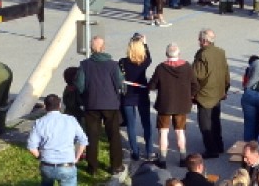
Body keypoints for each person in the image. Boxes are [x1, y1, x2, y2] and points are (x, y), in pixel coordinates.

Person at [75, 36, 125, 178]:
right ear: (104, 48)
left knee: (91, 135)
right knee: (114, 135)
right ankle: (116, 166)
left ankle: (93, 168)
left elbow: (80, 85)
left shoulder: (85, 65)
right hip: (111, 104)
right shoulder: (113, 65)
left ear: (91, 49)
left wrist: (86, 95)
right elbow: (120, 83)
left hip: (92, 104)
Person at [148, 42, 198, 167]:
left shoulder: (160, 68)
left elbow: (152, 86)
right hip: (182, 104)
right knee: (180, 132)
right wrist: (190, 96)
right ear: (179, 54)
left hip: (165, 105)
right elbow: (195, 85)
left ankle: (163, 160)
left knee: (163, 132)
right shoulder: (187, 67)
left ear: (166, 54)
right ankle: (182, 158)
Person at [27, 94, 88, 186]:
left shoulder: (39, 122)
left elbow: (32, 147)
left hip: (47, 165)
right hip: (67, 165)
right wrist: (77, 157)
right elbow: (83, 140)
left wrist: (40, 157)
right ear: (59, 105)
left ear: (45, 107)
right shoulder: (71, 120)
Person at [193, 28, 230, 159]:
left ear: (204, 40)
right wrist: (225, 89)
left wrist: (193, 92)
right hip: (218, 92)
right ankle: (219, 145)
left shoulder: (202, 54)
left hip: (205, 95)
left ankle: (211, 149)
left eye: (199, 39)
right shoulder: (220, 52)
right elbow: (226, 72)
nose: (198, 41)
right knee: (215, 120)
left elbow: (198, 76)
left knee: (205, 123)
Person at [120, 34, 155, 162]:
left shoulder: (123, 62)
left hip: (128, 95)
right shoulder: (145, 62)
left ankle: (135, 151)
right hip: (141, 94)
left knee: (131, 125)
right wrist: (145, 44)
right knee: (146, 123)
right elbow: (149, 57)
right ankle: (149, 151)